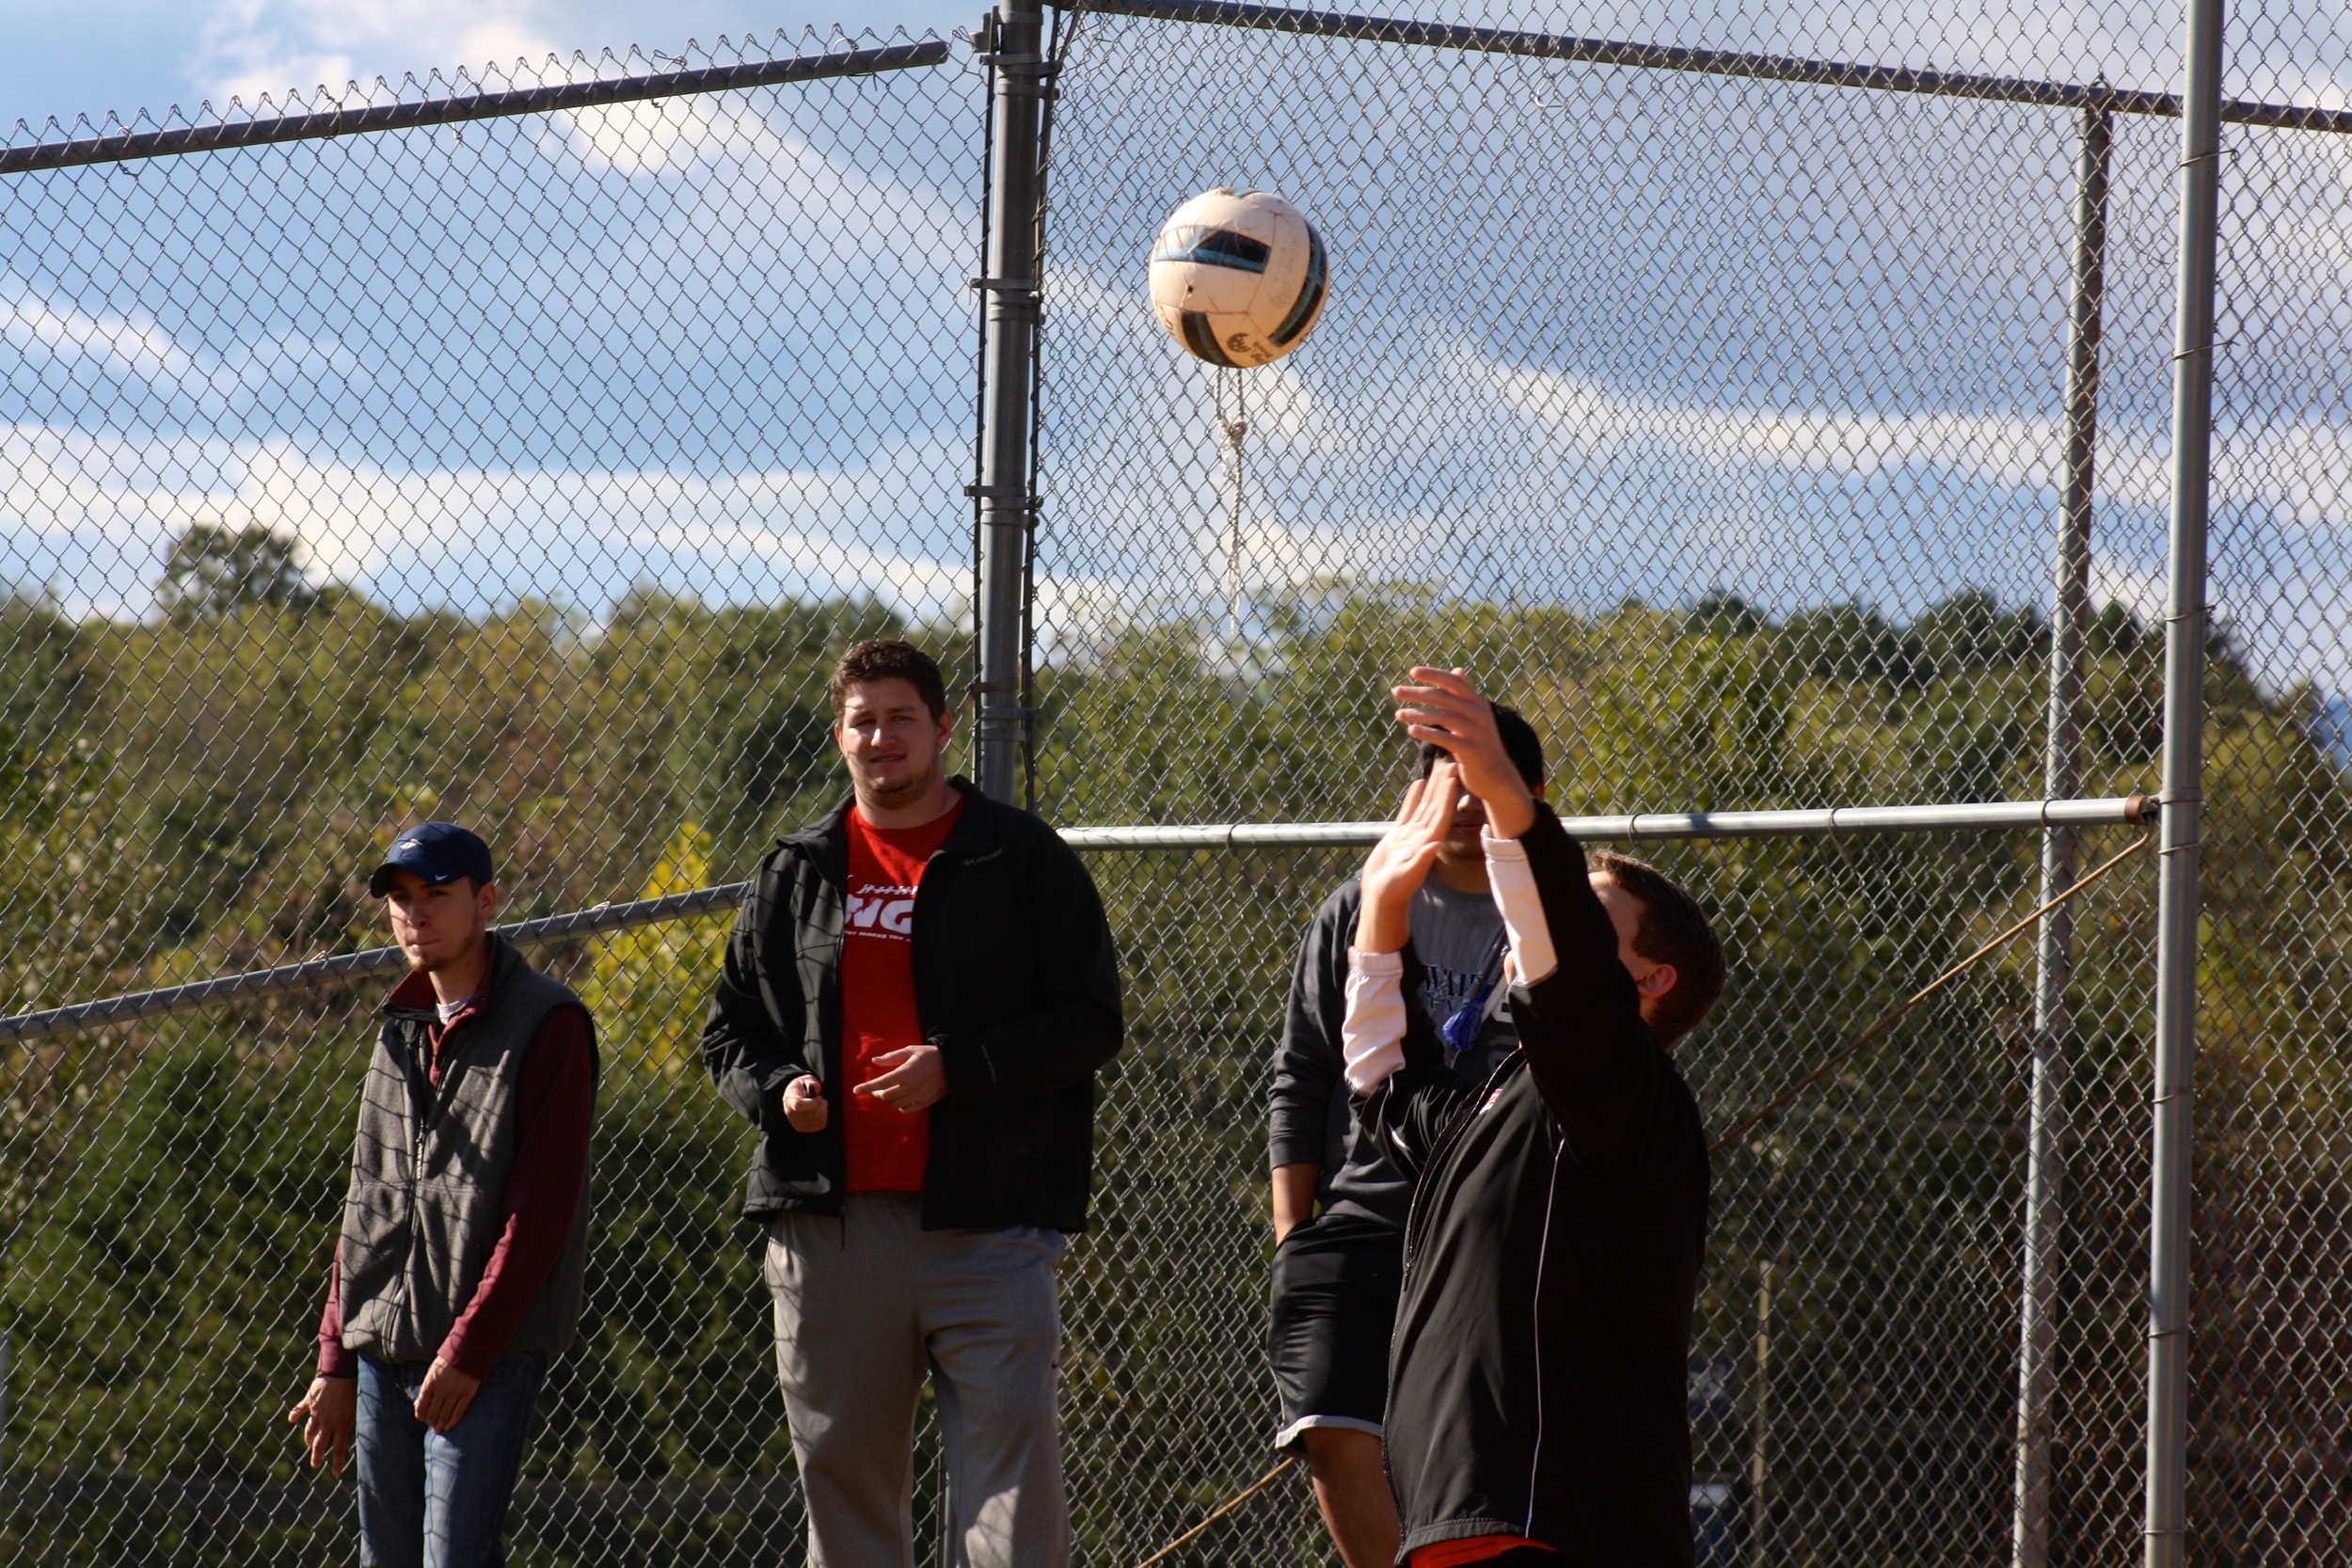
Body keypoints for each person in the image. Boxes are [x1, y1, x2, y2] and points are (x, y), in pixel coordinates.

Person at [699, 638, 1122, 1568]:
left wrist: (957, 1067)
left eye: (899, 717)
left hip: (990, 1226)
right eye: (862, 720)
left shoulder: (1019, 857)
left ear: (940, 727)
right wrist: (781, 1091)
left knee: (1013, 1498)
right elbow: (729, 1031)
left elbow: (1091, 1020)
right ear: (839, 736)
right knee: (845, 1492)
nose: (880, 736)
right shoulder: (797, 869)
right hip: (831, 1227)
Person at [1348, 668, 1726, 1568]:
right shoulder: (1510, 1098)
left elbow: (1565, 973)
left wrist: (1507, 795)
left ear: (1649, 980)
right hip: (1468, 1519)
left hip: (1563, 1525)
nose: (1533, 929)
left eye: (1594, 924)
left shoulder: (1629, 1101)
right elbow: (1384, 1090)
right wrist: (1380, 911)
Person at [1265, 706, 1549, 1568]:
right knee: (1331, 1419)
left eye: (1482, 779)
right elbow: (1303, 1072)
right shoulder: (1359, 905)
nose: (1462, 800)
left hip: (1491, 1219)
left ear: (1527, 795)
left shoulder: (1549, 913)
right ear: (1415, 791)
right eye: (1445, 779)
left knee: (1465, 1460)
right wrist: (1291, 1231)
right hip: (1364, 1212)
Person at [287, 821, 599, 1568]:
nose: (414, 914)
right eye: (399, 898)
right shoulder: (398, 1025)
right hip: (378, 1352)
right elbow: (367, 1201)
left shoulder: (550, 1024)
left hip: (481, 1358)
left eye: (435, 894)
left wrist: (466, 1352)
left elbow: (539, 1217)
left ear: (485, 900)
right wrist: (334, 1355)